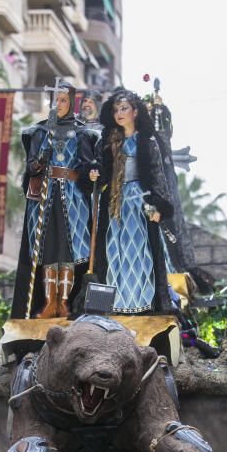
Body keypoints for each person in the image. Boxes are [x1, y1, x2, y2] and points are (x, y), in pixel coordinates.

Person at [11, 80, 97, 319]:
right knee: (49, 250)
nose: (58, 105)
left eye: (63, 100)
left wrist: (89, 173)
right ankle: (50, 302)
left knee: (68, 252)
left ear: (71, 102)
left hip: (73, 198)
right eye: (55, 100)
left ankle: (65, 302)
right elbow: (31, 166)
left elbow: (88, 164)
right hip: (45, 198)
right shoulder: (40, 132)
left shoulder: (82, 133)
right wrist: (40, 160)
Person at [91, 89, 174, 313]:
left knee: (139, 252)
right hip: (115, 203)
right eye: (116, 109)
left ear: (135, 112)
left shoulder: (147, 142)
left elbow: (158, 176)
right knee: (113, 251)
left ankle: (142, 305)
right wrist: (95, 174)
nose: (119, 113)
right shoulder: (108, 142)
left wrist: (160, 207)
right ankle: (111, 306)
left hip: (140, 203)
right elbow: (100, 168)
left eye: (124, 108)